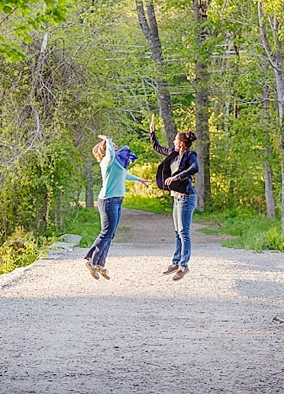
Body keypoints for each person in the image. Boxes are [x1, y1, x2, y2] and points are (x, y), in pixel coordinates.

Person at [84, 135, 149, 280]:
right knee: (106, 233)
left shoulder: (116, 164)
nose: (116, 147)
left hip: (118, 201)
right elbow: (111, 154)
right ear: (106, 149)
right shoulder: (106, 162)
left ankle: (100, 264)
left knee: (110, 235)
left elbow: (124, 174)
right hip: (108, 201)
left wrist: (139, 180)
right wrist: (107, 139)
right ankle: (91, 261)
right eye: (112, 146)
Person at [149, 116, 199, 281]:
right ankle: (176, 262)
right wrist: (152, 132)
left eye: (175, 140)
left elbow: (195, 168)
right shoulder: (173, 153)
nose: (173, 141)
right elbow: (157, 147)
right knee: (177, 232)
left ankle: (184, 266)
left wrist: (177, 178)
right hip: (176, 198)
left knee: (184, 233)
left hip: (186, 198)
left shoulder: (190, 155)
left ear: (182, 143)